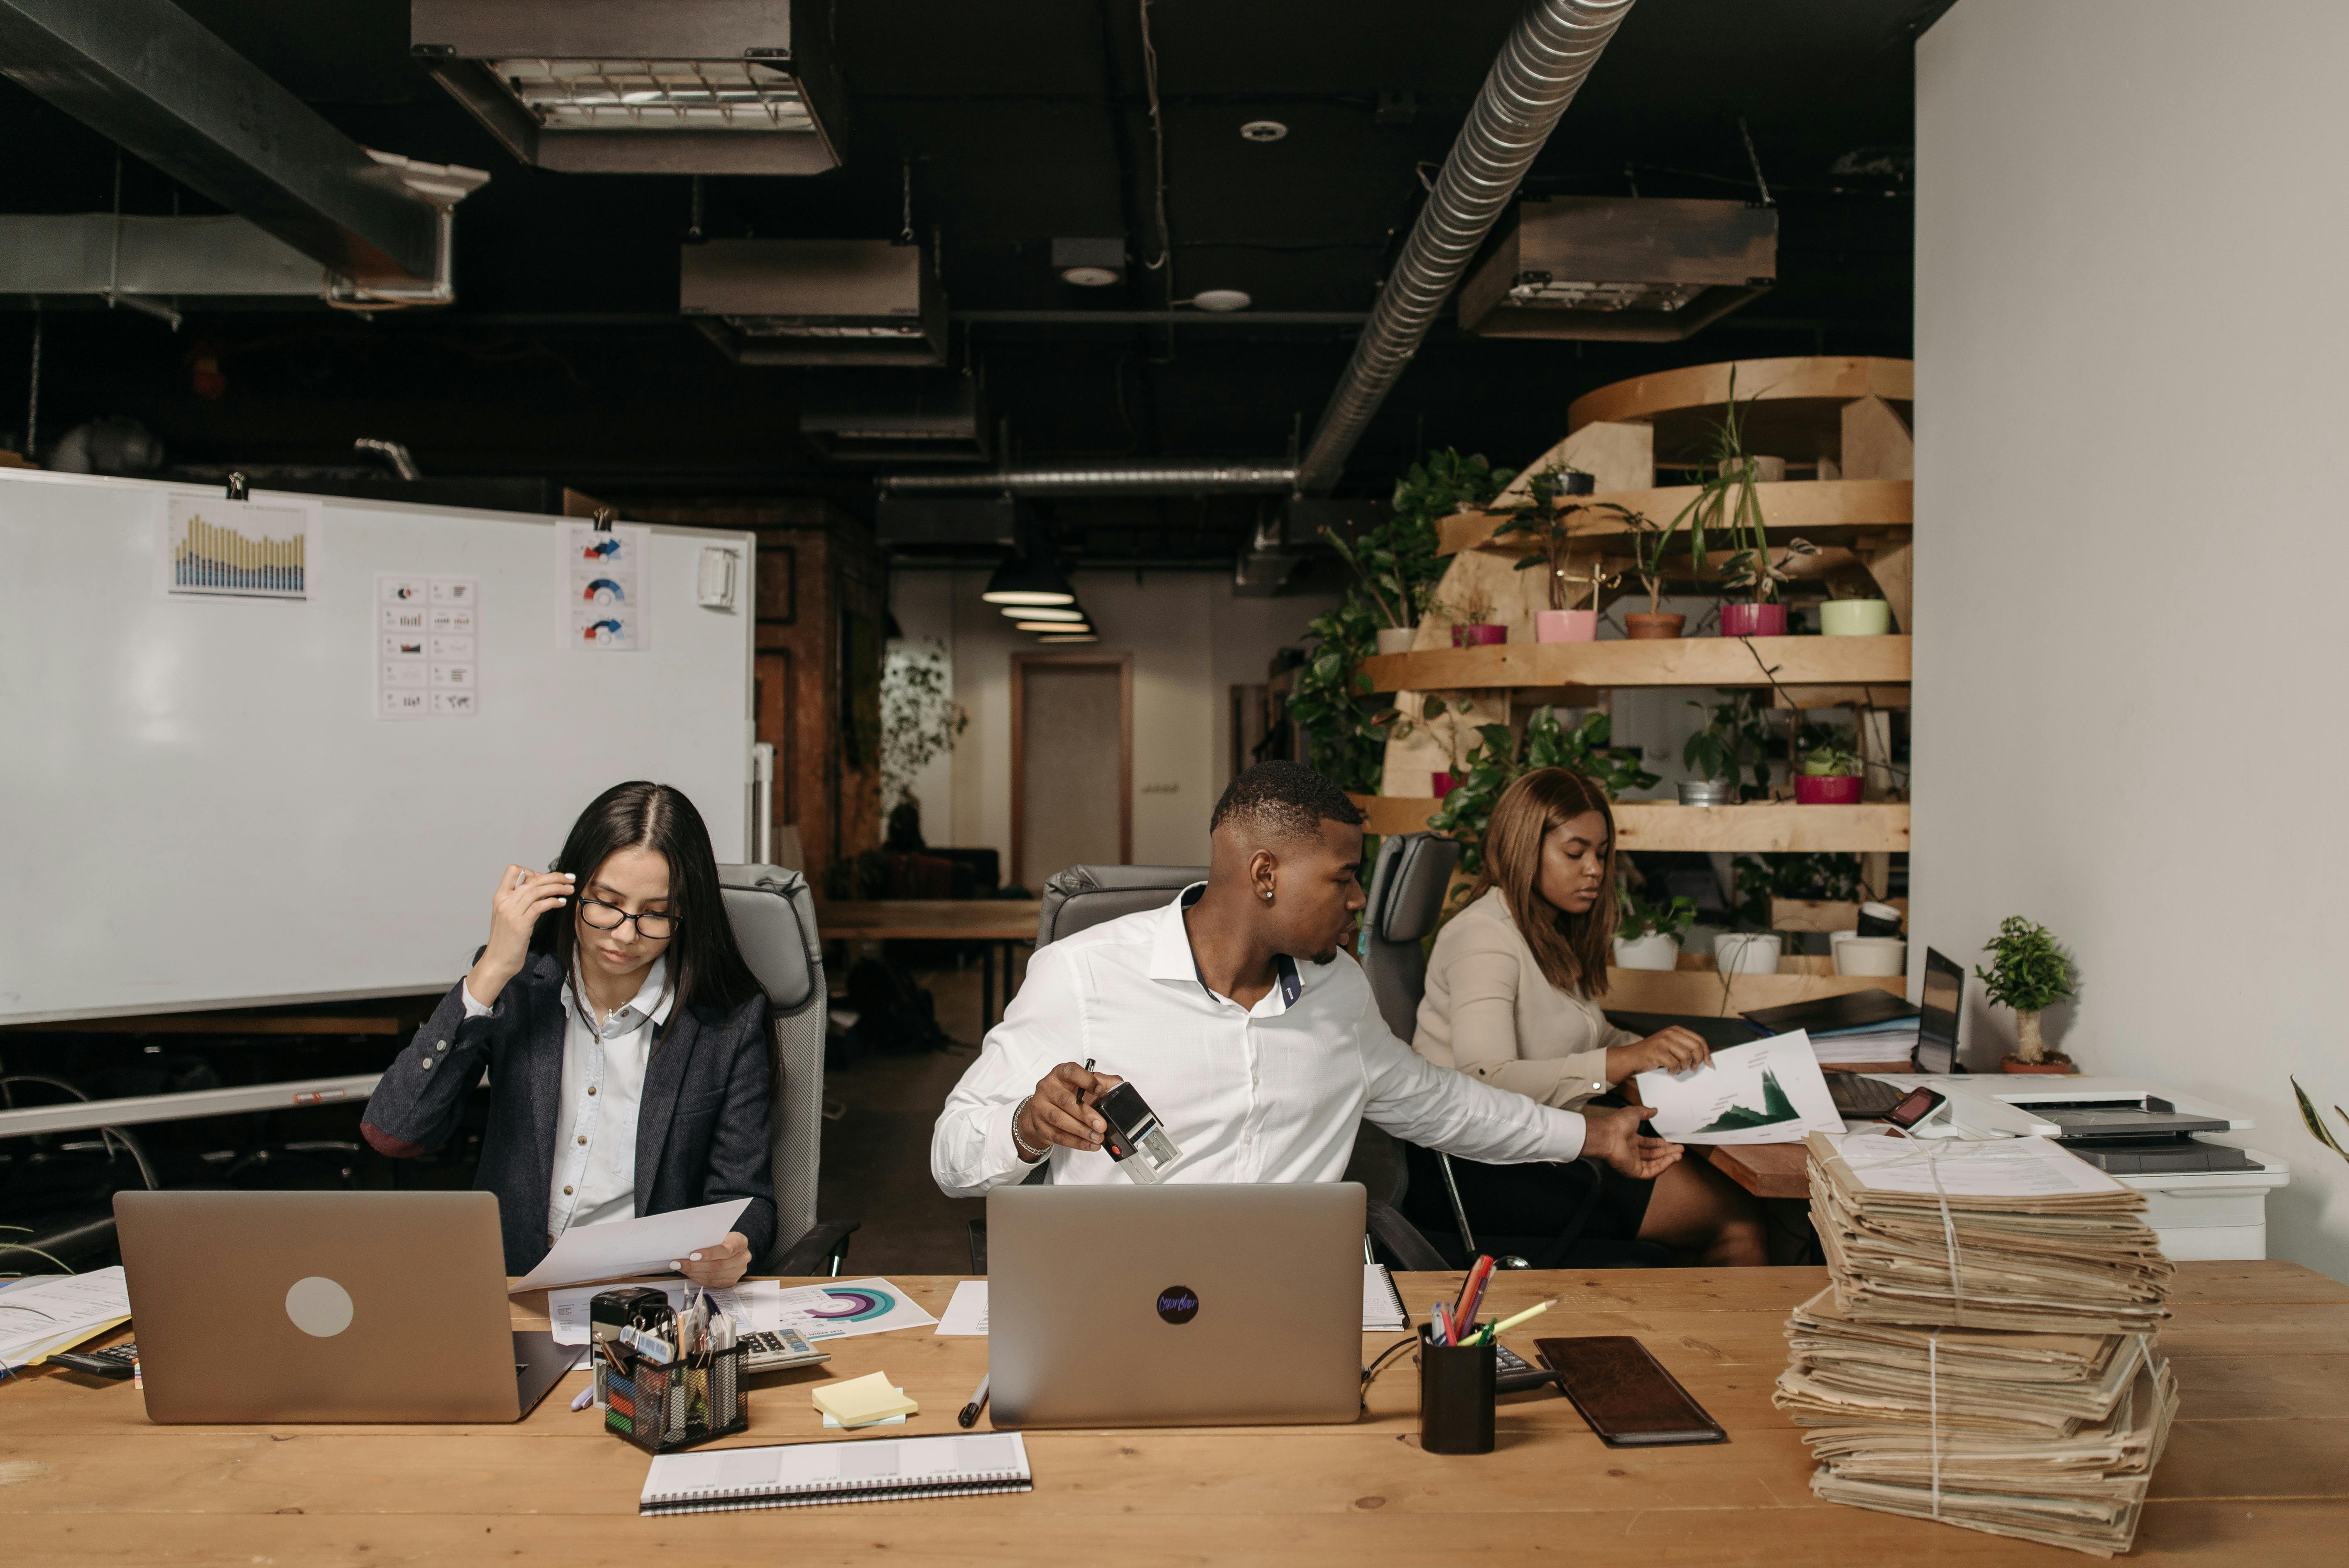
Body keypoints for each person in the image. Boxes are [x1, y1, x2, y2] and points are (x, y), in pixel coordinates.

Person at [930, 762, 1681, 1201]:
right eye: (1343, 877)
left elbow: (1444, 1104)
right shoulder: (1084, 974)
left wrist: (1591, 1134)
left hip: (1293, 1297)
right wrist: (1026, 1127)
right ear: (1265, 875)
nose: (1357, 900)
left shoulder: (1339, 992)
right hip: (1124, 1296)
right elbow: (951, 1157)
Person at [362, 781, 775, 1284]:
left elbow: (745, 1195)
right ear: (569, 890)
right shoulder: (519, 985)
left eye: (655, 913)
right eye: (606, 903)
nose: (625, 933)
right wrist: (492, 969)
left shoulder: (727, 1022)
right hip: (513, 1287)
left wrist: (735, 1244)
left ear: (684, 914)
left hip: (647, 1294)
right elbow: (395, 1131)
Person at [1409, 767, 1767, 1266]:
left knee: (1737, 1199)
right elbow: (1485, 1077)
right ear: (1522, 849)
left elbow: (1588, 1033)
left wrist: (1656, 1051)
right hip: (1487, 1165)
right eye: (1575, 853)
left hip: (1547, 1135)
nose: (1595, 869)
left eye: (1601, 853)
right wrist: (1624, 1060)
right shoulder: (1482, 937)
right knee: (1738, 1225)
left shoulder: (1546, 929)